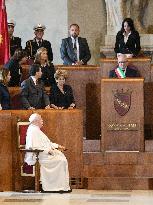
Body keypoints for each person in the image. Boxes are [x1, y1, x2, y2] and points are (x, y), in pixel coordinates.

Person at [25, 113, 71, 192]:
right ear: (36, 121)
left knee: (61, 158)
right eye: (40, 119)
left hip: (43, 154)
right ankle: (53, 187)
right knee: (60, 160)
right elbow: (34, 147)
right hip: (38, 156)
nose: (42, 121)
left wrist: (57, 146)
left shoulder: (36, 130)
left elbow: (46, 143)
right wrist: (48, 151)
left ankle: (61, 186)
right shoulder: (33, 131)